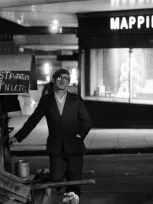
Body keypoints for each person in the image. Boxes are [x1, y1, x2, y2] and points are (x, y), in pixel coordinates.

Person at [10, 68, 92, 197]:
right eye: (59, 77)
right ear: (54, 80)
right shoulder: (46, 100)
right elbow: (33, 120)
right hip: (56, 147)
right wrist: (17, 137)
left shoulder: (76, 100)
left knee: (74, 182)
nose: (62, 80)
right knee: (56, 178)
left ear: (69, 82)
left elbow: (86, 122)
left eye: (65, 78)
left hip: (75, 146)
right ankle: (54, 179)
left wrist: (79, 135)